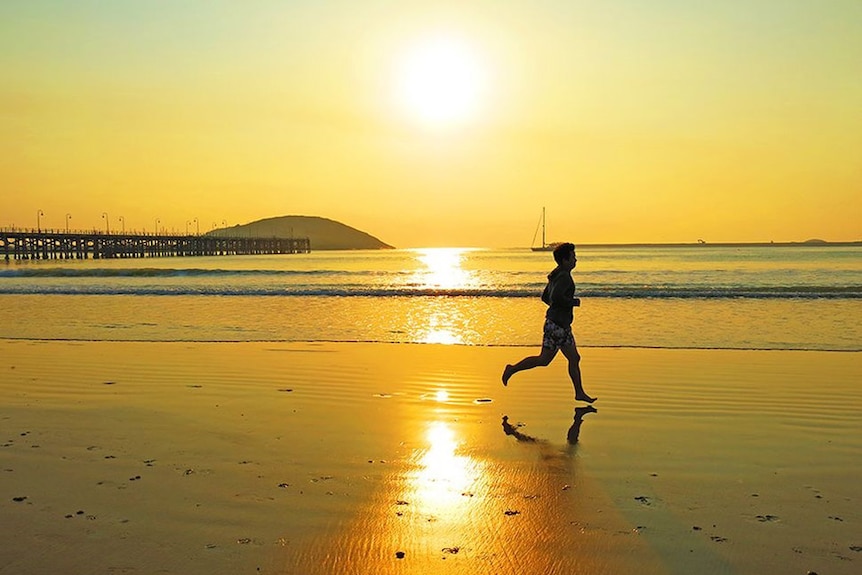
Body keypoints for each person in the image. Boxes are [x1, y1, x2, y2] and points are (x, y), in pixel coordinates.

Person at [502, 242, 596, 403]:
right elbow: (556, 297)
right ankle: (579, 392)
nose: (576, 260)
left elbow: (546, 297)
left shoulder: (556, 274)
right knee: (564, 359)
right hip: (558, 326)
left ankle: (512, 369)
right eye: (573, 257)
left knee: (549, 360)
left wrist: (557, 309)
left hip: (556, 324)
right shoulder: (564, 276)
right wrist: (572, 302)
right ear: (565, 260)